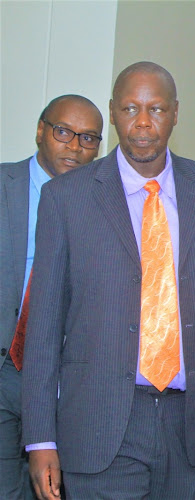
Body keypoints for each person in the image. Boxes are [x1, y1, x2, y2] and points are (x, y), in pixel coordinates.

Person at [21, 61, 195, 499]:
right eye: (129, 109)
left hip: (188, 422)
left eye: (156, 109)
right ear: (112, 111)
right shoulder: (65, 199)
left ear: (176, 113)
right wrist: (40, 438)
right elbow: (44, 328)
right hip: (97, 420)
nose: (142, 123)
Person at [0, 95, 103, 500]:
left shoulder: (104, 207)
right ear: (41, 131)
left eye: (89, 138)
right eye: (64, 132)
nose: (75, 146)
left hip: (65, 381)